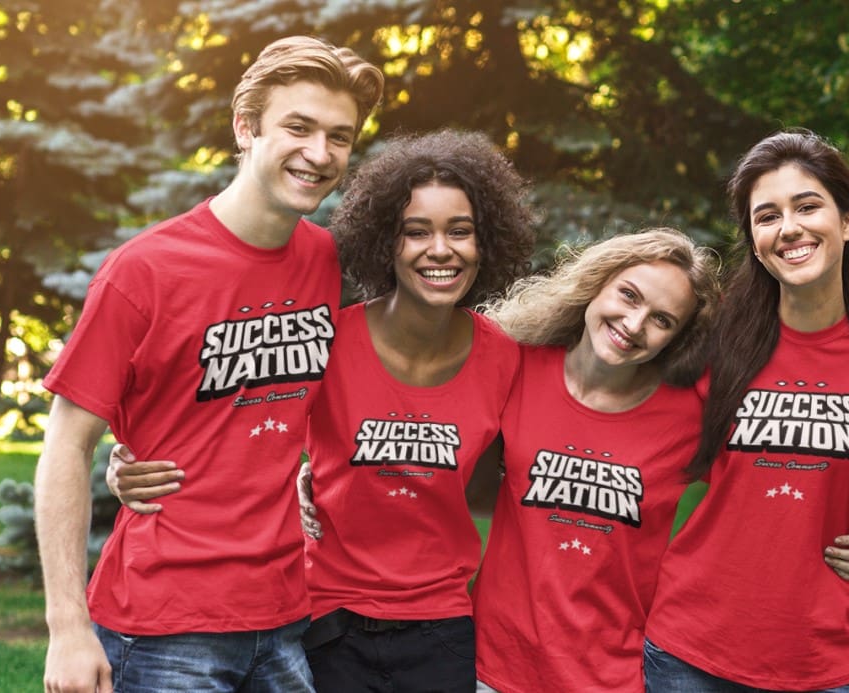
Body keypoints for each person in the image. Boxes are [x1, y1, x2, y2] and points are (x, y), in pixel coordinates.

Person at [108, 128, 535, 689]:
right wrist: (129, 459)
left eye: (461, 231)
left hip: (441, 623)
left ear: (487, 244)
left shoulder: (504, 357)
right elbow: (240, 426)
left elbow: (526, 458)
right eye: (415, 231)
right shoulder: (328, 342)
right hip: (327, 616)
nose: (440, 250)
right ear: (386, 242)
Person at [36, 35, 384, 692]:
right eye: (299, 127)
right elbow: (65, 440)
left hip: (285, 615)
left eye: (339, 136)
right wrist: (66, 625)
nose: (320, 153)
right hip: (164, 624)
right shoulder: (144, 272)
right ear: (245, 126)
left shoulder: (324, 261)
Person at [641, 130, 849, 692]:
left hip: (822, 661)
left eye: (807, 206)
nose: (788, 227)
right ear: (755, 240)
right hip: (692, 652)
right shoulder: (715, 344)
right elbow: (630, 446)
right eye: (767, 216)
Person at [470, 229, 722, 692]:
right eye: (628, 295)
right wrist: (321, 475)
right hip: (495, 667)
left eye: (662, 319)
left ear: (678, 338)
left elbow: (767, 481)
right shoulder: (516, 365)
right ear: (596, 283)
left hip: (613, 675)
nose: (634, 323)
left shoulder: (691, 415)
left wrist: (845, 523)